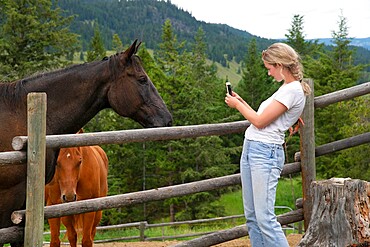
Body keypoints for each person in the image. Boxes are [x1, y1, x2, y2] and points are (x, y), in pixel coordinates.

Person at [225, 42, 311, 247]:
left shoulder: (292, 91)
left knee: (264, 217)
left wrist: (237, 105)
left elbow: (260, 121)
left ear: (280, 65)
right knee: (253, 216)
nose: (269, 73)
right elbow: (264, 117)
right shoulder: (286, 88)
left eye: (270, 68)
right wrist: (242, 101)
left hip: (265, 153)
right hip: (254, 148)